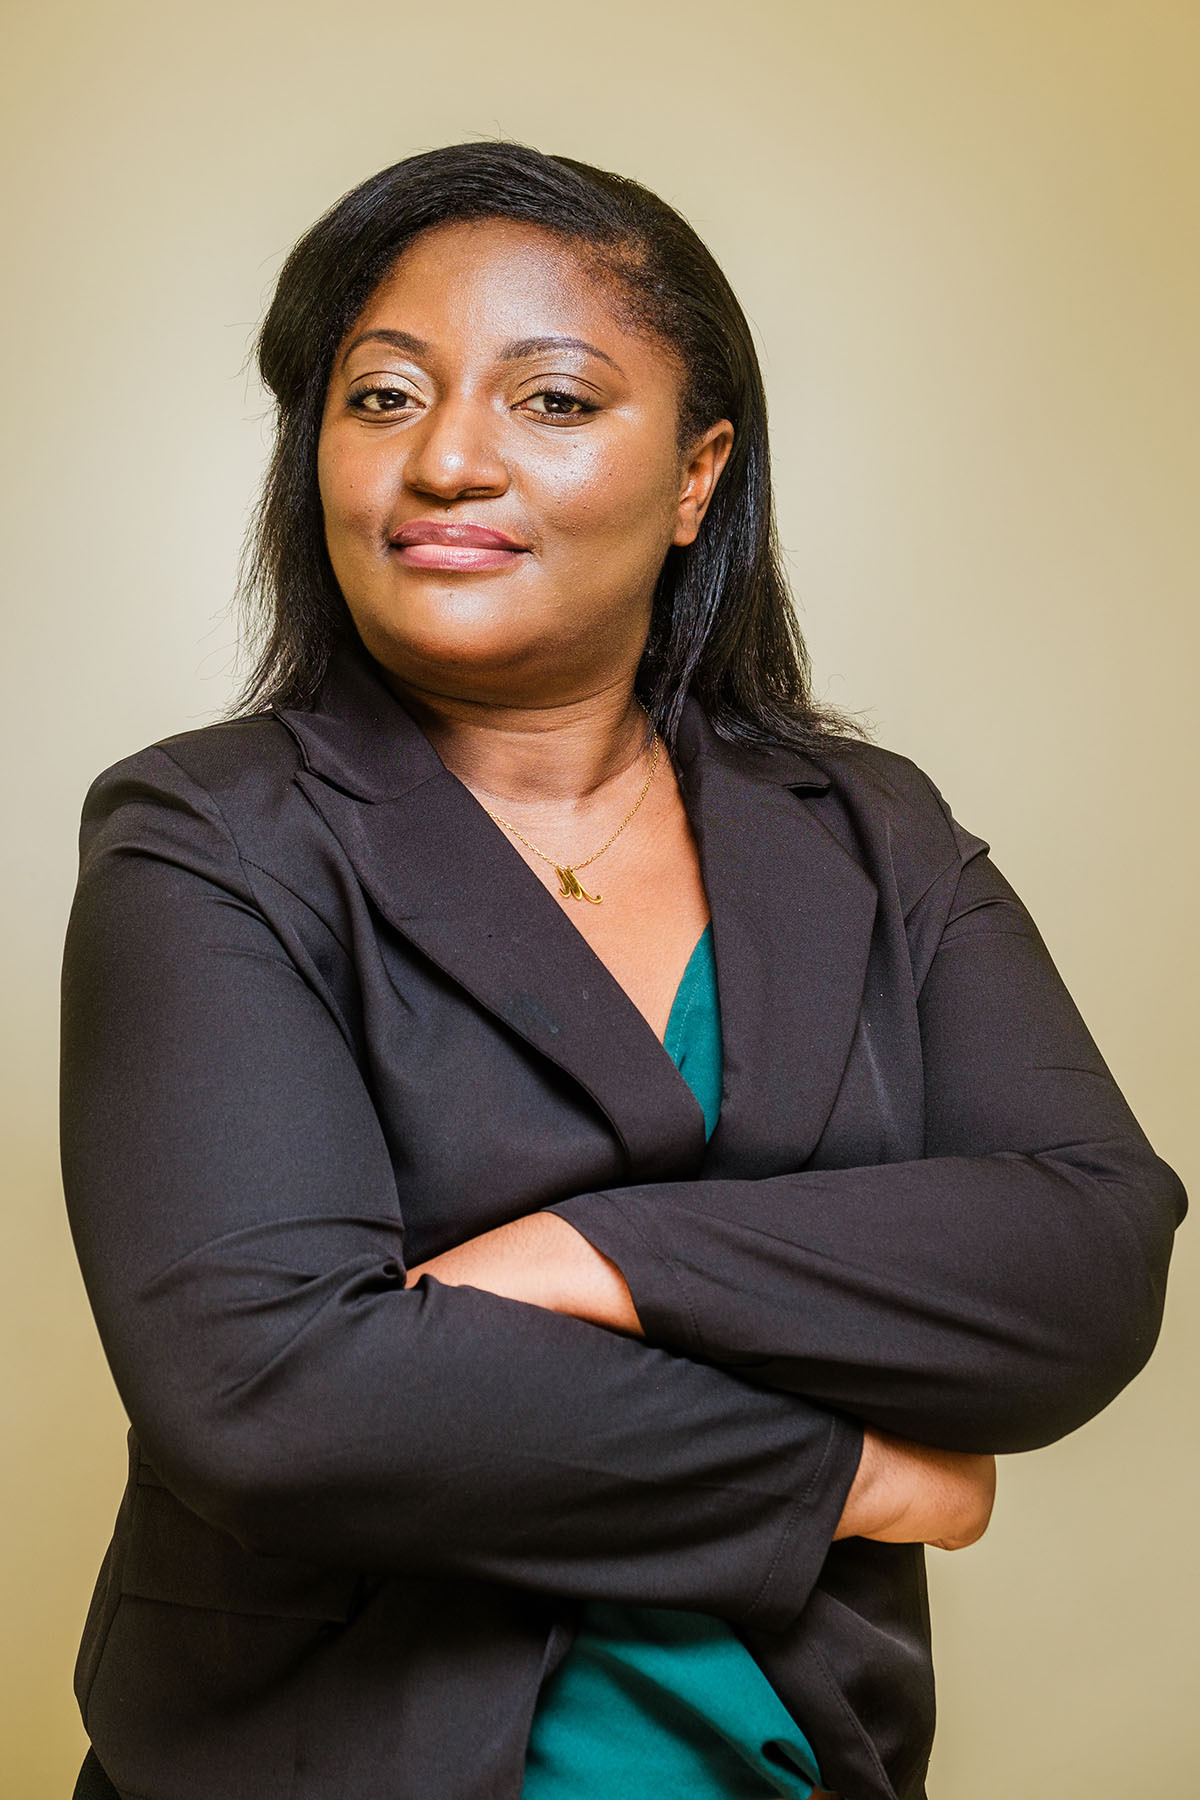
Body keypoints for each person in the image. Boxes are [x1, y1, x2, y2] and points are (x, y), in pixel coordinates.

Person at [60, 140, 1185, 1800]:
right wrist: (846, 1470)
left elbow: (1092, 1254)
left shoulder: (868, 833)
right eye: (380, 400)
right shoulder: (206, 836)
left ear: (695, 476)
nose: (446, 458)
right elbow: (274, 1397)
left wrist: (599, 1251)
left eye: (555, 401)